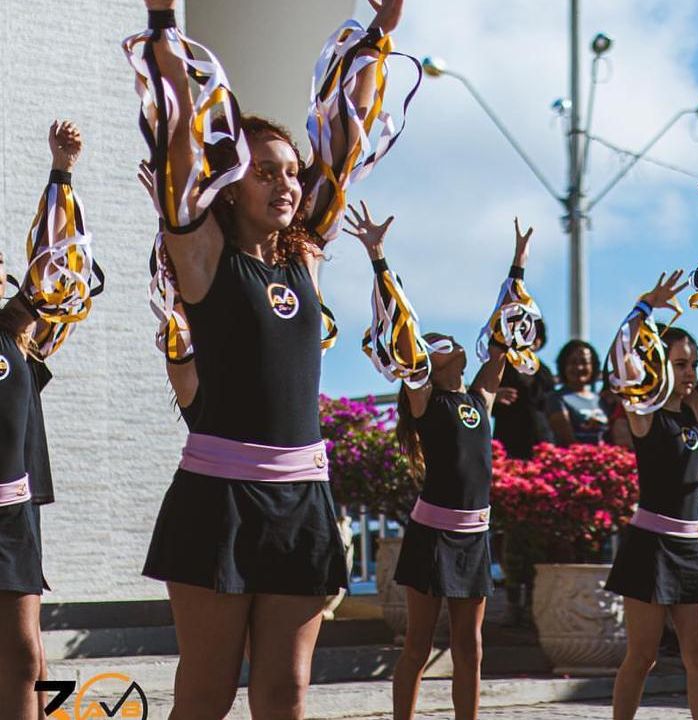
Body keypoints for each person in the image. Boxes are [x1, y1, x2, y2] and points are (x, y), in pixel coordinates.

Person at [128, 1, 415, 716]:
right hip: (216, 500)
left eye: (290, 172)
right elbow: (178, 135)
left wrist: (380, 36)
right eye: (264, 173)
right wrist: (163, 19)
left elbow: (344, 140)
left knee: (286, 693)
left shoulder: (306, 256)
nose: (286, 184)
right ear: (229, 182)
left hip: (303, 498)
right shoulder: (202, 254)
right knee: (207, 693)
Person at [349, 207, 538, 720]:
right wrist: (378, 256)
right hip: (432, 535)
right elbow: (401, 329)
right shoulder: (425, 401)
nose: (448, 343)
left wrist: (518, 265)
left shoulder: (479, 398)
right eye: (436, 345)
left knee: (471, 647)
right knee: (417, 645)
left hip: (474, 534)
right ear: (428, 363)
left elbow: (501, 339)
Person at [0, 120, 101, 720]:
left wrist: (61, 172)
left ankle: (48, 713)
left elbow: (55, 266)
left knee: (26, 651)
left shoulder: (18, 334)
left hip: (15, 510)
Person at [604, 273, 698, 720]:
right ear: (660, 364)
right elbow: (620, 355)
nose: (689, 372)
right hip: (649, 546)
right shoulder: (643, 413)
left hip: (692, 547)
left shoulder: (695, 409)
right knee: (643, 656)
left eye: (692, 364)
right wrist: (645, 307)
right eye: (680, 363)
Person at [491, 319, 554, 459]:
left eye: (535, 336)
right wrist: (493, 396)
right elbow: (479, 398)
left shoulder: (544, 372)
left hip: (540, 440)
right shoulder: (499, 367)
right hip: (509, 440)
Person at [548, 340, 609, 445]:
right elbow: (567, 440)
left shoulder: (601, 400)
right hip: (575, 455)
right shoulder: (556, 398)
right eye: (573, 362)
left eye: (584, 362)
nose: (579, 367)